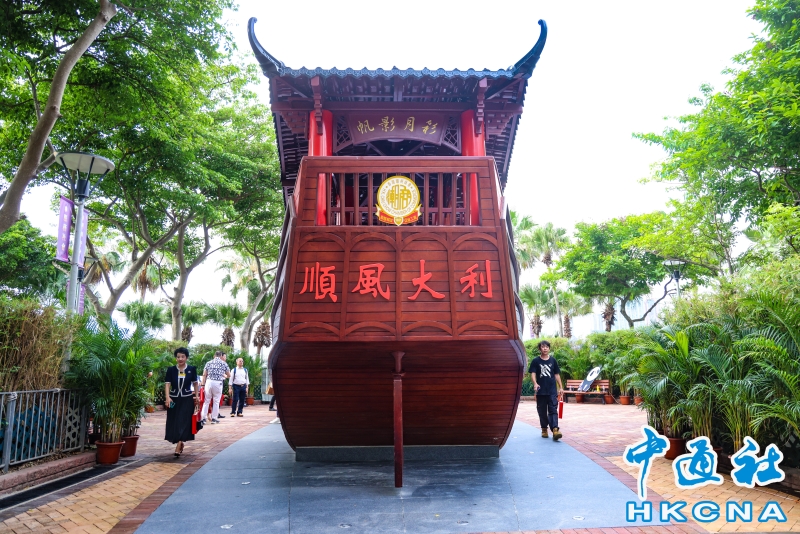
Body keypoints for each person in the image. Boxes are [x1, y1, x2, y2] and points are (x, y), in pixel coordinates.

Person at [164, 347, 199, 457]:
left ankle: (179, 443)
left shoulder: (191, 369)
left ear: (186, 358)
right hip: (173, 399)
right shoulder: (171, 370)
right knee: (174, 420)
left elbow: (195, 383)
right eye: (178, 357)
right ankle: (179, 441)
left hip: (187, 398)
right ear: (176, 358)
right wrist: (167, 397)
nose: (180, 359)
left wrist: (197, 396)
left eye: (182, 357)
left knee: (184, 420)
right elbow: (167, 384)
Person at [528, 340, 564, 441]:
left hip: (552, 390)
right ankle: (544, 429)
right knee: (542, 411)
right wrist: (535, 383)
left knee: (553, 410)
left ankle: (555, 430)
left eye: (547, 347)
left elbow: (556, 374)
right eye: (543, 347)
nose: (545, 348)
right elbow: (533, 373)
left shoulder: (553, 360)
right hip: (541, 391)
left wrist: (560, 387)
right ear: (540, 349)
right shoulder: (536, 361)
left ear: (549, 348)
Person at [200, 351, 230, 424]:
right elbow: (229, 375)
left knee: (206, 401)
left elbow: (204, 374)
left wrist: (203, 384)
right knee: (216, 401)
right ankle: (214, 418)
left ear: (214, 356)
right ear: (221, 356)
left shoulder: (208, 363)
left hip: (209, 382)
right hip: (218, 383)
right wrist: (224, 376)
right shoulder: (224, 363)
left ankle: (203, 418)